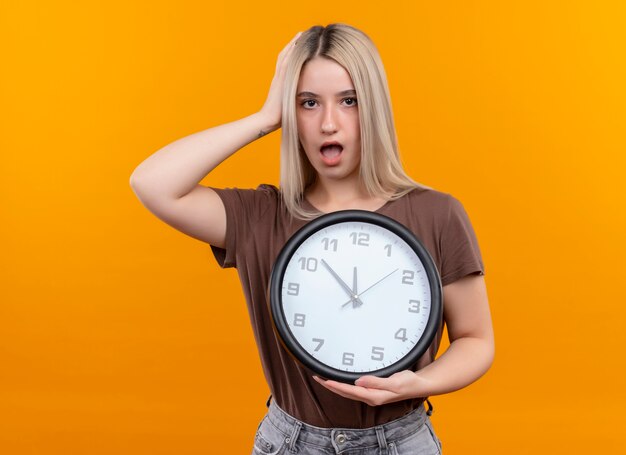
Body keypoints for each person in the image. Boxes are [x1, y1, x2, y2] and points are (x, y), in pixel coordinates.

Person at [130, 23, 494, 455]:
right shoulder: (263, 216)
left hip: (400, 442)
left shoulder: (436, 213)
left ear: (373, 108)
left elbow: (475, 339)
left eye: (349, 101)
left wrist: (418, 383)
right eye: (307, 103)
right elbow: (152, 183)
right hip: (290, 443)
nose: (327, 123)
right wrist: (265, 117)